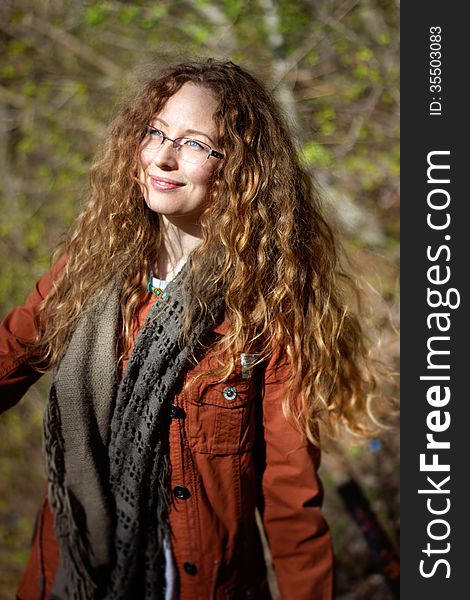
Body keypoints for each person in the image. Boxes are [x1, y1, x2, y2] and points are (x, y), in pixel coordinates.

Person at [0, 59, 378, 600]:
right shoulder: (89, 270)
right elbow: (8, 356)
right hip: (72, 575)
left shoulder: (265, 312)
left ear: (240, 170)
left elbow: (291, 500)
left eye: (195, 143)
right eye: (155, 132)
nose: (163, 156)